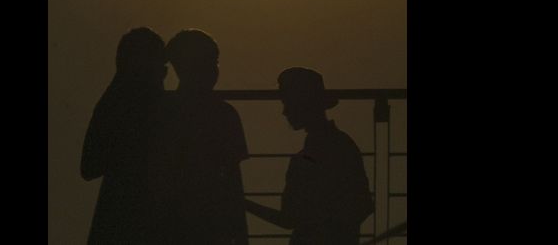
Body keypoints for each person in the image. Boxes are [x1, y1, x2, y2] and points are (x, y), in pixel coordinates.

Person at [245, 67, 373, 245]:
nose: (285, 112)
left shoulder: (304, 159)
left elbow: (287, 220)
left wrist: (243, 203)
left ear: (301, 105)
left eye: (287, 104)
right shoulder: (344, 145)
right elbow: (363, 204)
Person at [157, 29, 249, 245]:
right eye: (211, 62)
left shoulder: (163, 111)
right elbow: (234, 183)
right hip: (213, 225)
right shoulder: (225, 115)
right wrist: (242, 236)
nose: (214, 70)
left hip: (170, 224)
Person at [80, 27, 169, 244]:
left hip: (114, 222)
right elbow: (89, 166)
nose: (163, 74)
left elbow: (88, 167)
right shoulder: (144, 107)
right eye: (160, 67)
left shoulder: (111, 102)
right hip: (137, 221)